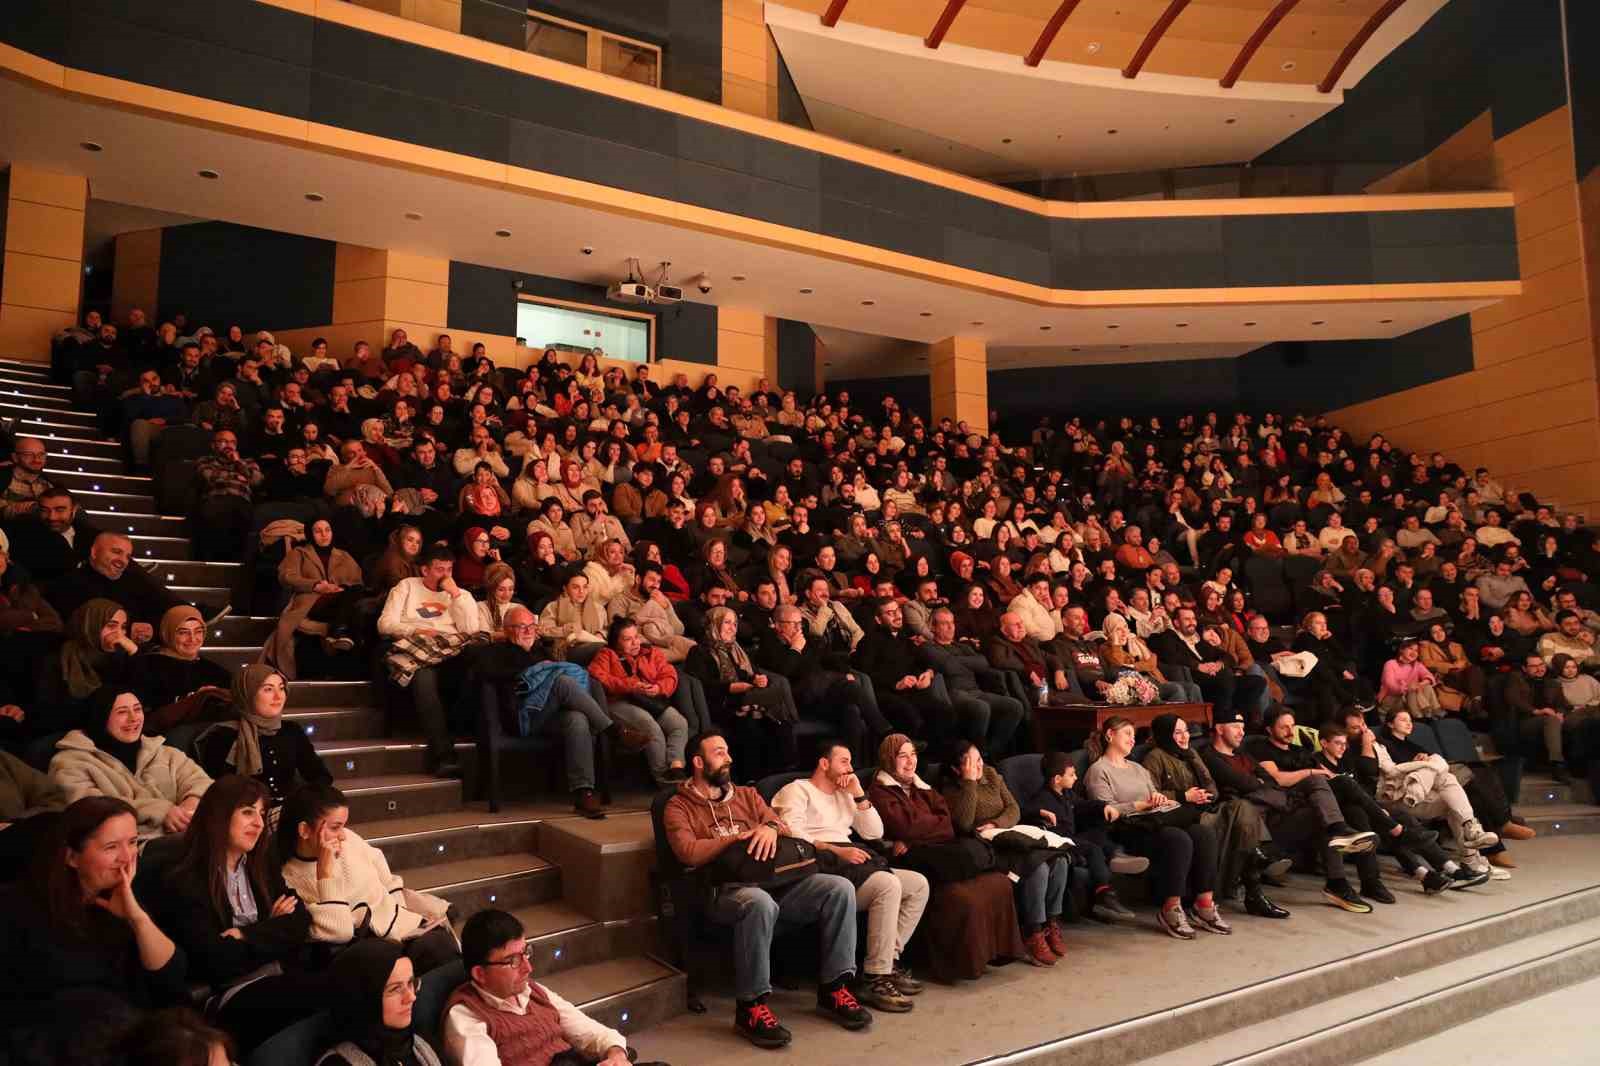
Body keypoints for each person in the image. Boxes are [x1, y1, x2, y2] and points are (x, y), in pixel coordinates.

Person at [662, 730, 869, 1048]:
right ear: (698, 762)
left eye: (728, 750)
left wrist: (770, 828)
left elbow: (780, 824)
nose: (729, 757)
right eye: (719, 752)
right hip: (723, 890)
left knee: (838, 887)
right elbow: (687, 852)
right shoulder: (678, 805)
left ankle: (834, 987)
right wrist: (736, 838)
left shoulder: (747, 795)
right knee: (758, 903)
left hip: (775, 882)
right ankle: (751, 1007)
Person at [159, 774, 324, 1051]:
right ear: (219, 815)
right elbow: (216, 960)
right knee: (320, 995)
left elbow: (300, 920)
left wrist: (246, 934)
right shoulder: (185, 878)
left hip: (278, 975)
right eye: (248, 812)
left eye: (262, 813)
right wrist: (273, 930)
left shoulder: (261, 864)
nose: (259, 823)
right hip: (228, 994)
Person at [0, 796, 186, 1026]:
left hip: (133, 1034)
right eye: (111, 847)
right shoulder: (19, 908)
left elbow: (173, 981)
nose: (127, 858)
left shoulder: (125, 896)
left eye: (132, 842)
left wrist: (137, 919)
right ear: (72, 858)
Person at [774, 740, 929, 1012]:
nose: (850, 768)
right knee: (887, 884)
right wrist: (833, 849)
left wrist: (858, 795)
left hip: (851, 860)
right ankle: (874, 977)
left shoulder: (845, 793)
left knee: (917, 884)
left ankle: (888, 962)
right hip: (817, 865)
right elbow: (789, 832)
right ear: (824, 763)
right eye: (843, 761)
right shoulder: (797, 790)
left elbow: (874, 833)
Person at [866, 733, 1025, 982]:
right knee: (965, 884)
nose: (910, 762)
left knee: (997, 882)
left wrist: (914, 834)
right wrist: (916, 832)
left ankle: (994, 953)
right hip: (908, 859)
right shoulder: (880, 791)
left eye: (913, 755)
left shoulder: (922, 787)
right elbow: (908, 826)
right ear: (888, 759)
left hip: (933, 849)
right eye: (902, 756)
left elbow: (947, 824)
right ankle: (957, 965)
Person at [1202, 712, 1380, 913]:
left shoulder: (1244, 756)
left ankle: (1337, 875)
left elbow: (1269, 781)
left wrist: (1260, 784)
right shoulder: (1210, 756)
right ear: (1219, 728)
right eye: (1236, 726)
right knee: (1250, 802)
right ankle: (1358, 838)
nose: (1242, 732)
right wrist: (1259, 784)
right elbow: (1246, 784)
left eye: (1243, 727)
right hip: (1252, 820)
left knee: (1319, 794)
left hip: (1276, 814)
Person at [277, 783, 460, 974]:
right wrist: (325, 873)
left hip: (404, 927)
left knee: (452, 946)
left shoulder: (348, 839)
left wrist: (401, 908)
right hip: (373, 948)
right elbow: (341, 930)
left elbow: (382, 870)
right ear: (304, 830)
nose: (343, 836)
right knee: (439, 951)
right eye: (334, 827)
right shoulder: (291, 879)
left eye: (343, 826)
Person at [444, 907, 648, 1066]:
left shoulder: (532, 990)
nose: (528, 967)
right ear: (480, 973)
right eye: (513, 961)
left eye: (526, 952)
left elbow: (592, 1032)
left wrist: (616, 1055)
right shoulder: (466, 1017)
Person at [1083, 717, 1227, 939]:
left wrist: (1161, 800)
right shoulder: (1098, 770)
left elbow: (1153, 794)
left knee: (1203, 833)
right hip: (1127, 828)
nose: (1133, 740)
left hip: (1154, 820)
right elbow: (1104, 810)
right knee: (1178, 838)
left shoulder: (1138, 768)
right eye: (1127, 734)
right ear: (1110, 735)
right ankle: (1171, 907)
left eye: (1133, 735)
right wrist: (1141, 804)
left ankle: (1204, 904)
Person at [1138, 713, 1287, 918]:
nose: (1184, 737)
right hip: (1183, 815)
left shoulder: (1191, 753)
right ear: (1165, 735)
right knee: (1242, 810)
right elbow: (1149, 795)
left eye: (1186, 731)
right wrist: (1186, 796)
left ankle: (1253, 875)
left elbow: (1211, 786)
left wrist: (1205, 794)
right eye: (1178, 733)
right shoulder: (1155, 757)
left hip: (1205, 808)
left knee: (1242, 809)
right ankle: (1257, 863)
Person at [942, 738, 1073, 965]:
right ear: (956, 768)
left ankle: (1050, 923)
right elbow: (964, 822)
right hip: (986, 845)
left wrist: (996, 823)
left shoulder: (992, 774)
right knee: (1038, 868)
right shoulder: (952, 788)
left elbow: (1013, 808)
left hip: (1009, 833)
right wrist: (970, 782)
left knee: (1059, 860)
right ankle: (1033, 932)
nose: (979, 766)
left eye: (980, 759)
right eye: (971, 763)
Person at [49, 687, 213, 842]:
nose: (133, 718)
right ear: (100, 718)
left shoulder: (166, 753)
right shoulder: (69, 762)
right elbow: (88, 808)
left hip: (179, 838)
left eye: (137, 709)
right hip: (126, 848)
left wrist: (189, 807)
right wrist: (160, 811)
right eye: (122, 712)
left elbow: (202, 783)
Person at [378, 545, 486, 778]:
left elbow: (470, 630)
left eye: (449, 569)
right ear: (424, 569)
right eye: (439, 570)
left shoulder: (461, 594)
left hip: (451, 650)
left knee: (481, 656)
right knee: (424, 678)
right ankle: (443, 756)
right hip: (418, 648)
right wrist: (417, 631)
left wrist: (455, 595)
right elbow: (385, 624)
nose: (445, 575)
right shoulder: (406, 587)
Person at [1021, 750, 1149, 922]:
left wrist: (1103, 807)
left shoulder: (1066, 794)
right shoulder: (1042, 798)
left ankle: (1117, 855)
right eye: (1072, 775)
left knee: (1099, 833)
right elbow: (1024, 812)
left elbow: (1083, 804)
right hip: (1061, 843)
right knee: (1093, 850)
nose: (1075, 778)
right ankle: (1103, 892)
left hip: (1073, 836)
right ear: (1057, 779)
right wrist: (1039, 812)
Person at [684, 605, 798, 782]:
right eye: (727, 623)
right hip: (719, 704)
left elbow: (748, 673)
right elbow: (702, 686)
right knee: (751, 724)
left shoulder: (735, 650)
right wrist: (730, 688)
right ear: (714, 625)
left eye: (735, 623)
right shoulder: (699, 652)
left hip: (742, 698)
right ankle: (752, 780)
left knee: (781, 724)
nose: (732, 628)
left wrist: (757, 679)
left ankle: (781, 778)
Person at [196, 665, 331, 806]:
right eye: (268, 689)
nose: (278, 696)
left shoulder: (291, 730)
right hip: (244, 814)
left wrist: (303, 802)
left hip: (288, 809)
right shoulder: (224, 735)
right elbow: (218, 792)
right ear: (247, 694)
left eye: (281, 688)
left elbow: (320, 775)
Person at [587, 617, 692, 788]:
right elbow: (598, 676)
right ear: (616, 641)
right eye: (627, 639)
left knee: (679, 723)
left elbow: (669, 674)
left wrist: (658, 688)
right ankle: (664, 780)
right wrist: (631, 686)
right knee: (650, 726)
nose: (635, 643)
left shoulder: (651, 653)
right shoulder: (606, 655)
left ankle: (676, 768)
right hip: (619, 702)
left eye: (636, 637)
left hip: (650, 699)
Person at [263, 517, 367, 678]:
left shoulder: (344, 555)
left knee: (356, 592)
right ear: (310, 534)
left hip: (339, 601)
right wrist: (315, 585)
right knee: (352, 604)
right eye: (318, 531)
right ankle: (338, 630)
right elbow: (286, 576)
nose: (324, 535)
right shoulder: (299, 553)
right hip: (311, 602)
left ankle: (338, 630)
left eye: (327, 530)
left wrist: (340, 588)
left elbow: (357, 581)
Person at [316, 939, 444, 1066]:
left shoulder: (419, 1042)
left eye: (411, 983)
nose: (411, 997)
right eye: (395, 989)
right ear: (365, 999)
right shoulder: (337, 1063)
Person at [47, 532, 180, 642]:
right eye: (116, 552)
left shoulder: (133, 583)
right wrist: (127, 631)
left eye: (127, 556)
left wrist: (150, 629)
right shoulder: (68, 584)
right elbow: (75, 627)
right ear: (94, 552)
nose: (123, 560)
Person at [130, 604, 232, 729]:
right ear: (168, 633)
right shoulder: (148, 666)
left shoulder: (215, 670)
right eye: (183, 633)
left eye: (198, 631)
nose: (193, 639)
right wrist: (194, 699)